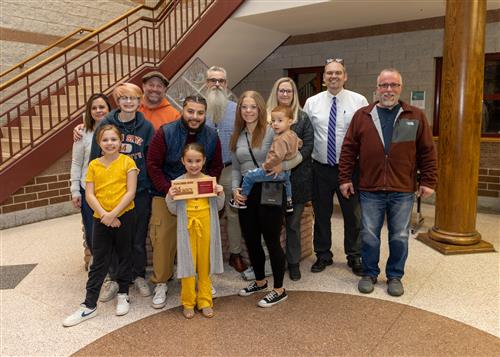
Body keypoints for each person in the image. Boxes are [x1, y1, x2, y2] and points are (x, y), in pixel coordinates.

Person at [339, 68, 437, 297]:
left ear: (400, 88)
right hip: (370, 188)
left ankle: (394, 276)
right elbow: (348, 149)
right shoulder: (362, 115)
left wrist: (428, 180)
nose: (388, 90)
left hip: (402, 189)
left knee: (399, 235)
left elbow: (427, 152)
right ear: (377, 88)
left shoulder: (415, 115)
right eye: (384, 85)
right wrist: (344, 177)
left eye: (393, 85)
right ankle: (370, 273)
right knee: (369, 233)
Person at [147, 95, 223, 309]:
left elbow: (216, 166)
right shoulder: (165, 132)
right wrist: (168, 189)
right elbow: (152, 165)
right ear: (183, 110)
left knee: (200, 242)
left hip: (198, 197)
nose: (195, 116)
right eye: (191, 111)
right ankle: (161, 282)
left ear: (205, 114)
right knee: (163, 239)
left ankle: (202, 282)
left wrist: (207, 185)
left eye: (200, 113)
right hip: (167, 194)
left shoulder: (211, 136)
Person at [63, 124, 139, 327]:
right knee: (99, 261)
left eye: (113, 139)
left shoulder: (128, 162)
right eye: (105, 140)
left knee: (124, 255)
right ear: (99, 143)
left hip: (124, 216)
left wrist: (114, 214)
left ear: (120, 141)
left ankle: (123, 294)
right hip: (101, 218)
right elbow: (89, 193)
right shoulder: (95, 165)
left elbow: (130, 192)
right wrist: (105, 215)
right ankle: (89, 305)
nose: (110, 143)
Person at [231, 91, 301, 308]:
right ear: (240, 110)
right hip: (247, 193)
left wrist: (284, 166)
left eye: (253, 107)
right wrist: (235, 188)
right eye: (244, 107)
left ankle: (279, 289)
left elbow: (297, 154)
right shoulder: (237, 136)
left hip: (270, 192)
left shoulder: (272, 131)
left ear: (260, 109)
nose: (249, 111)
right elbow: (235, 167)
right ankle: (260, 281)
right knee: (251, 240)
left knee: (271, 240)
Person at [90, 83, 155, 302]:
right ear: (117, 101)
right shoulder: (105, 124)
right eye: (123, 98)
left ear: (139, 101)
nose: (128, 102)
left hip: (140, 191)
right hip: (111, 193)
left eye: (133, 98)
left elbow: (151, 159)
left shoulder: (146, 128)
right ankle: (116, 279)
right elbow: (94, 159)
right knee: (112, 238)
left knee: (137, 238)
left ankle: (137, 275)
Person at [303, 58, 368, 275]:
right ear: (323, 78)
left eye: (338, 73)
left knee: (353, 215)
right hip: (320, 168)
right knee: (321, 214)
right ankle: (323, 254)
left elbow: (364, 136)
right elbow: (305, 135)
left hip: (348, 170)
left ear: (345, 76)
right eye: (329, 73)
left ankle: (355, 255)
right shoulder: (312, 103)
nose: (333, 76)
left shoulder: (359, 101)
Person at [166, 143, 225, 319]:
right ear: (183, 161)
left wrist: (220, 193)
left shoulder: (209, 181)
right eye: (190, 161)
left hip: (207, 228)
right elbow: (172, 209)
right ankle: (188, 302)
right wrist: (170, 195)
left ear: (204, 161)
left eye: (197, 160)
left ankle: (205, 301)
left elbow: (219, 206)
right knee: (188, 265)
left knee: (205, 266)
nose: (194, 165)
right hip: (187, 230)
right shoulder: (178, 183)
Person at [266, 77, 314, 281]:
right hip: (271, 182)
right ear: (275, 93)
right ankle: (273, 261)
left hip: (298, 181)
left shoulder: (302, 118)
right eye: (281, 90)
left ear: (294, 94)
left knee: (293, 224)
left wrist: (284, 166)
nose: (285, 94)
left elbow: (308, 146)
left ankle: (293, 263)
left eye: (289, 91)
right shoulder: (266, 119)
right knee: (272, 225)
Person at [204, 66, 247, 273]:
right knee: (205, 214)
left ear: (227, 84)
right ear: (206, 83)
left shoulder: (238, 109)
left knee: (233, 213)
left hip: (230, 169)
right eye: (213, 80)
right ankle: (206, 256)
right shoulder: (198, 109)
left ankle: (235, 254)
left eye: (221, 80)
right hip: (203, 172)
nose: (217, 84)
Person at [231, 105, 302, 213]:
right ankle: (289, 202)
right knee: (287, 183)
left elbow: (277, 156)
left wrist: (266, 166)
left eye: (280, 121)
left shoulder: (280, 139)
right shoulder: (292, 134)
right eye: (273, 121)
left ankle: (243, 198)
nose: (275, 124)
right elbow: (300, 143)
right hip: (286, 173)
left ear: (290, 122)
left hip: (273, 171)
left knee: (249, 176)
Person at [70, 94, 111, 256]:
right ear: (89, 111)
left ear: (109, 109)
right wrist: (75, 190)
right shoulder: (82, 134)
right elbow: (76, 163)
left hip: (111, 189)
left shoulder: (116, 131)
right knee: (93, 232)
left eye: (102, 107)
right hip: (88, 190)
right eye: (94, 108)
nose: (98, 111)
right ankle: (99, 266)